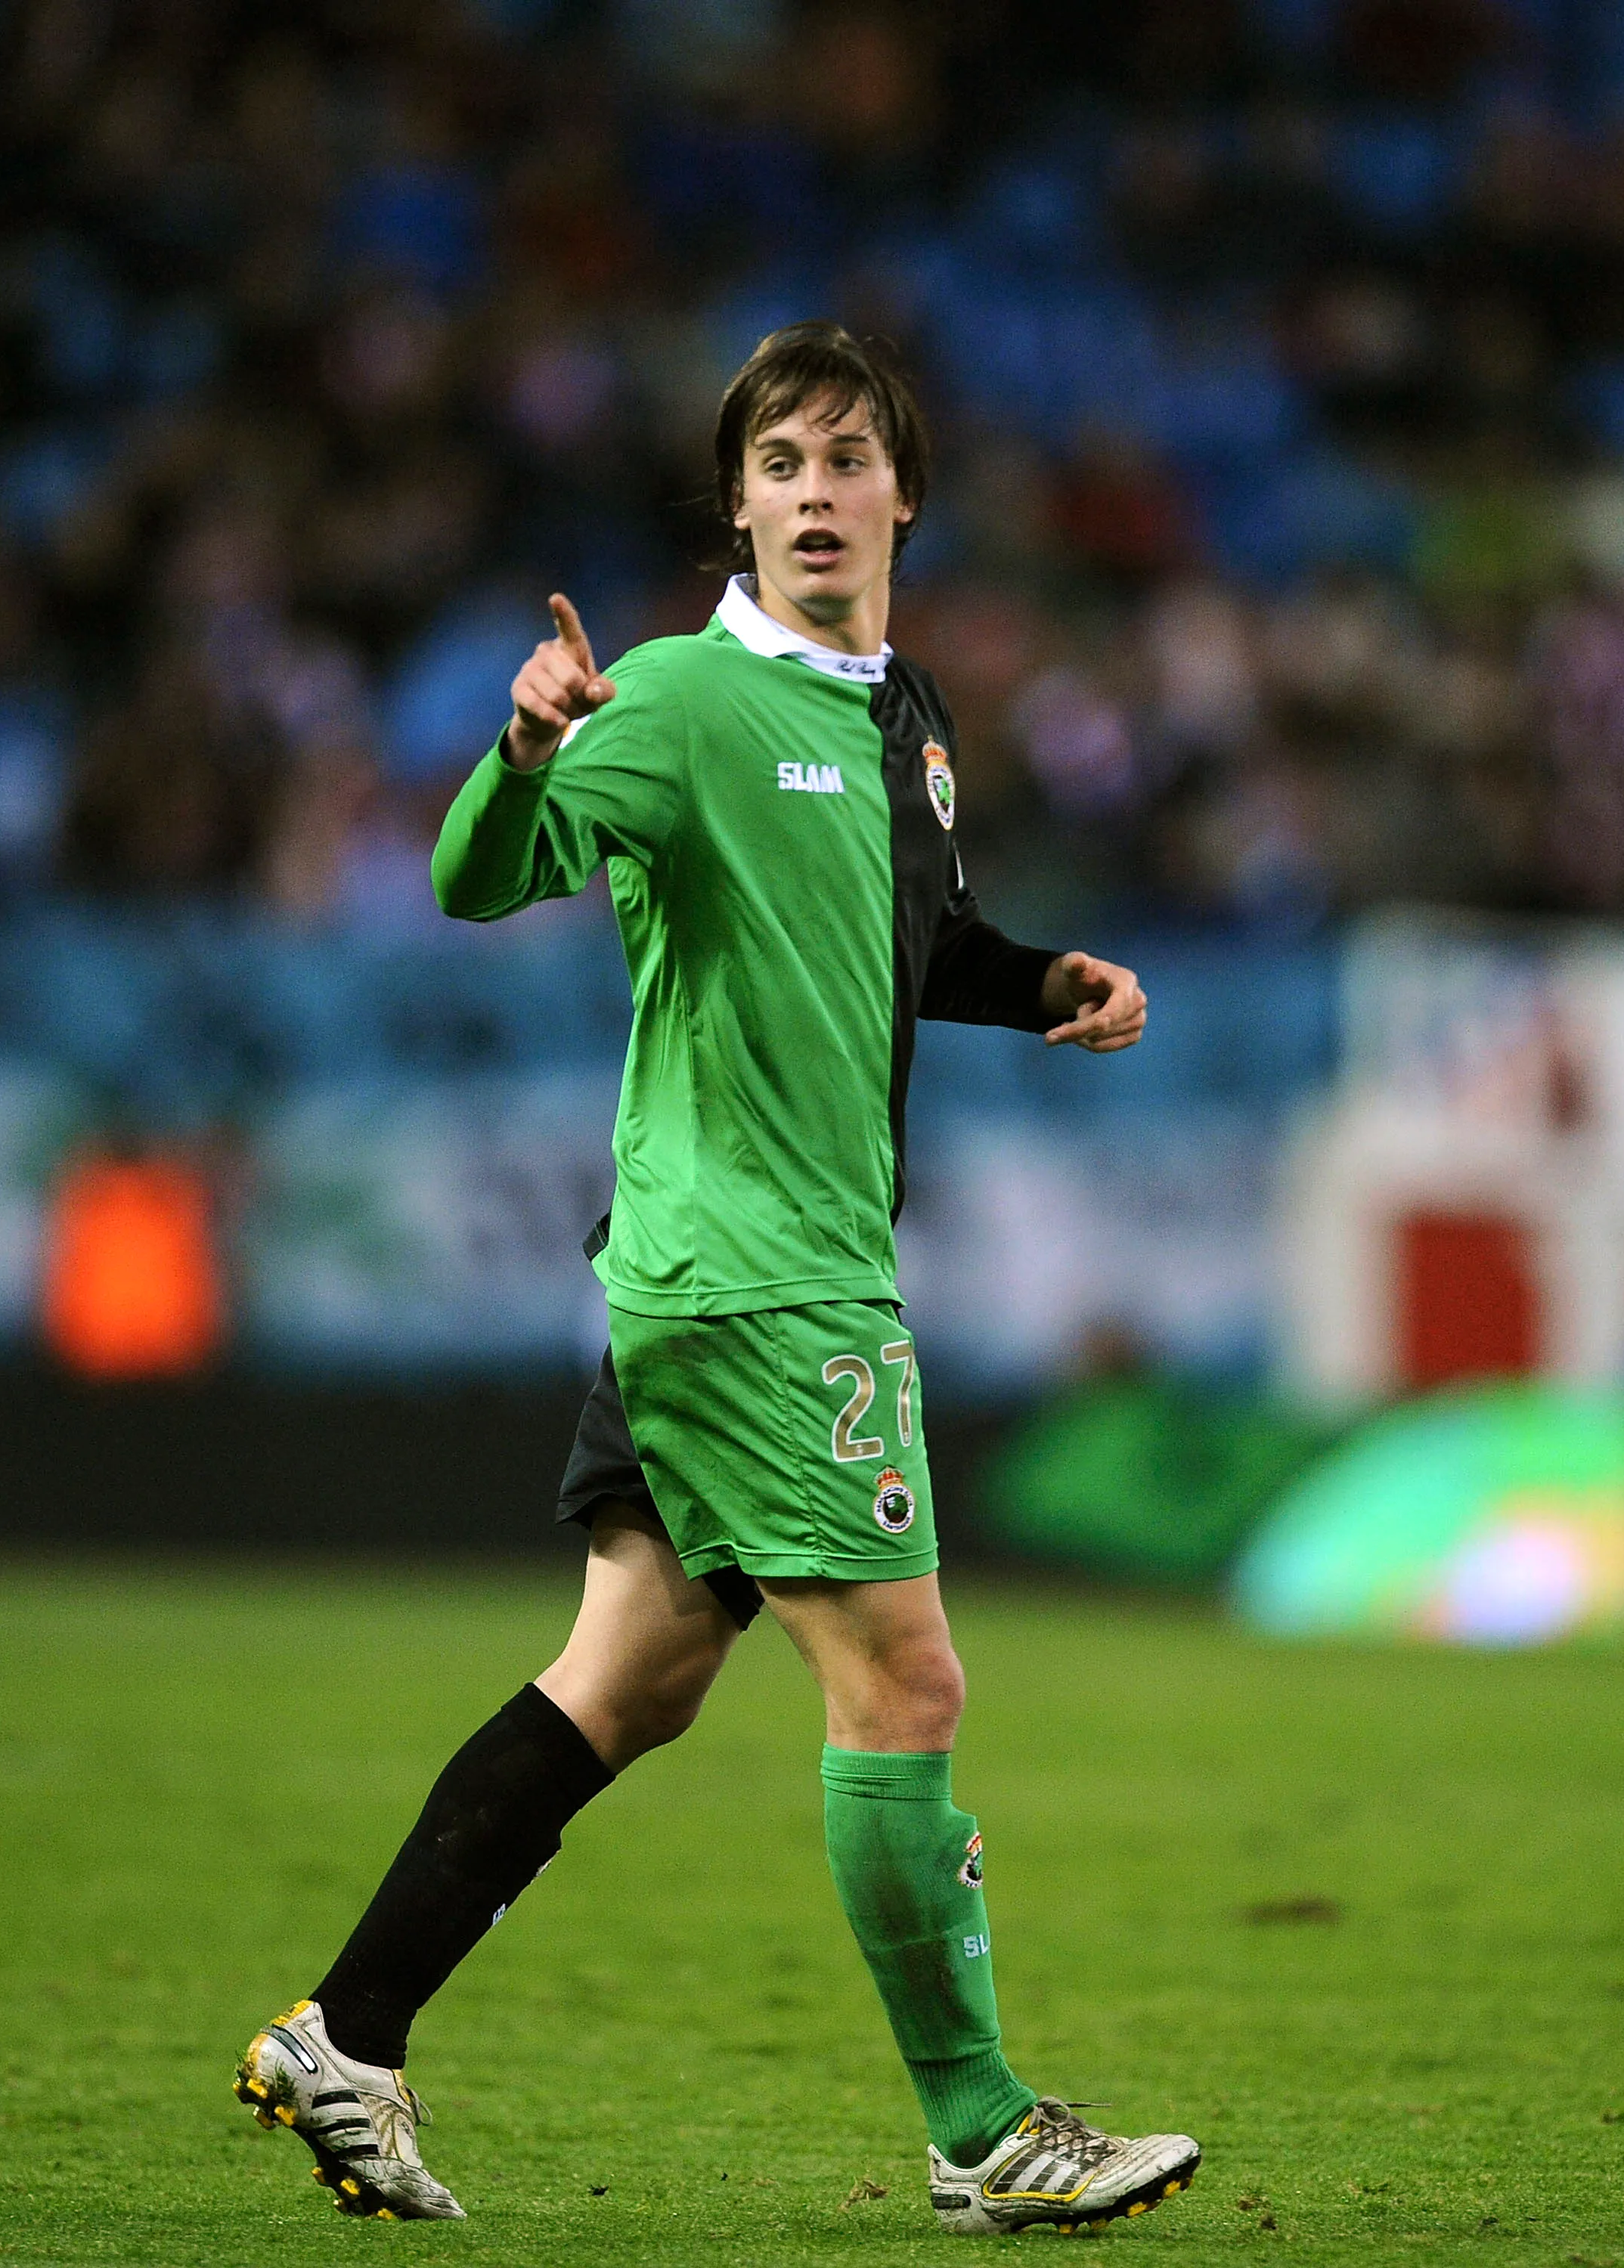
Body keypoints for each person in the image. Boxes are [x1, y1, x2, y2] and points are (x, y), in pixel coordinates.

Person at [234, 321, 1201, 2235]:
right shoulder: (674, 699)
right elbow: (474, 880)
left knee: (629, 1679)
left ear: (903, 494)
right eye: (778, 466)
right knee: (905, 1683)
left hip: (734, 1273)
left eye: (847, 459)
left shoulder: (904, 719)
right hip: (757, 1280)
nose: (815, 494)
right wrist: (525, 751)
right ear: (738, 508)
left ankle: (344, 2037)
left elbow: (909, 937)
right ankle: (984, 2131)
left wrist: (1043, 987)